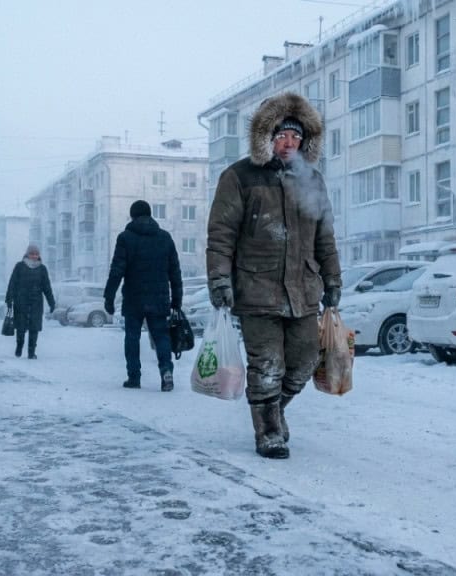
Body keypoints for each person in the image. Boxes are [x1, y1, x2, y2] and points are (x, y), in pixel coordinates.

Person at [206, 92, 342, 459]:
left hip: (302, 291)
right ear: (266, 136)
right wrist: (220, 279)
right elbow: (221, 235)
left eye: (296, 138)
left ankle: (273, 408)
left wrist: (332, 279)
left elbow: (324, 236)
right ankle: (268, 431)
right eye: (282, 136)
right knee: (267, 364)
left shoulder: (311, 179)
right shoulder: (239, 177)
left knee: (305, 360)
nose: (289, 144)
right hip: (256, 289)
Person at [104, 199, 183, 391]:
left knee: (132, 337)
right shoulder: (165, 238)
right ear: (150, 215)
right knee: (161, 337)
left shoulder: (125, 238)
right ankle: (166, 372)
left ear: (132, 216)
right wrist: (177, 300)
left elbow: (117, 270)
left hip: (134, 298)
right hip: (159, 298)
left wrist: (109, 296)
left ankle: (134, 377)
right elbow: (175, 271)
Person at [5, 244, 55, 359]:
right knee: (21, 327)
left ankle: (31, 352)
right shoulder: (19, 266)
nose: (34, 256)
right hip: (21, 301)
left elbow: (47, 287)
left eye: (36, 254)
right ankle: (19, 346)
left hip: (36, 303)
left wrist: (51, 302)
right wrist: (9, 299)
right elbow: (12, 283)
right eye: (32, 254)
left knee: (34, 328)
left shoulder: (42, 269)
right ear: (27, 254)